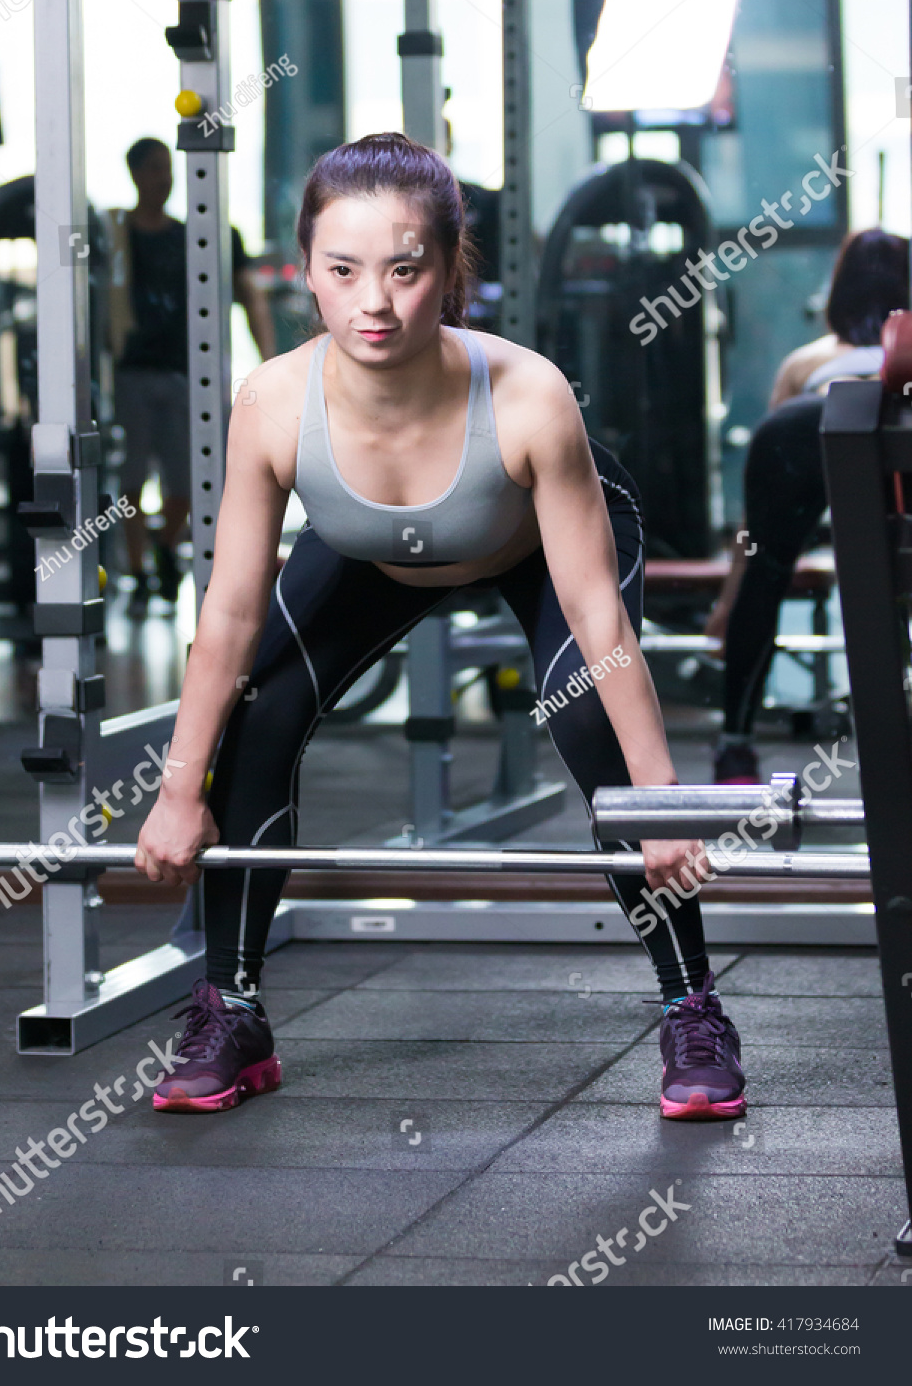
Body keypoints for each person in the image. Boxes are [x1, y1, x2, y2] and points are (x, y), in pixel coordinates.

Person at [133, 132, 745, 1123]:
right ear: (307, 275)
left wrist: (661, 800)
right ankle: (230, 1007)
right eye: (343, 271)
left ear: (450, 269)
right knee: (257, 708)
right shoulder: (274, 401)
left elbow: (597, 615)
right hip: (375, 542)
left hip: (532, 536)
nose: (373, 300)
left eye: (404, 269)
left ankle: (691, 1007)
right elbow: (231, 609)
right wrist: (175, 790)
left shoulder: (528, 395)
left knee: (588, 725)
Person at [708, 228, 909, 783]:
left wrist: (734, 596)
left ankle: (735, 748)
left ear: (839, 290)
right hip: (880, 431)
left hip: (805, 426)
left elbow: (755, 525)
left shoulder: (807, 362)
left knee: (765, 578)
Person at [103, 137, 277, 617]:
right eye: (156, 169)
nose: (166, 177)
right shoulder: (114, 236)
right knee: (131, 480)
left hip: (189, 375)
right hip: (133, 373)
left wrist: (269, 363)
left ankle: (164, 544)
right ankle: (137, 573)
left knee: (189, 479)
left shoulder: (196, 237)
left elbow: (251, 297)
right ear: (136, 174)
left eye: (168, 168)